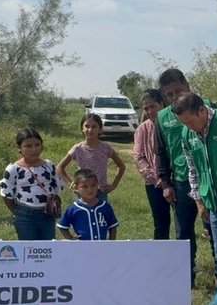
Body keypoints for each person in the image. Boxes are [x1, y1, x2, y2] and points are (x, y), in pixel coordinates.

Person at [173, 93, 217, 305]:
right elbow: (193, 169)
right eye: (184, 123)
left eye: (191, 121)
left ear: (202, 110)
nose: (189, 126)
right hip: (214, 203)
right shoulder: (187, 133)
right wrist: (198, 199)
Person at [153, 69, 201, 285]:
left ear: (187, 85)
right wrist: (165, 183)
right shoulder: (162, 118)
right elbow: (161, 151)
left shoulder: (207, 107)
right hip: (181, 183)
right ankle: (186, 280)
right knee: (183, 233)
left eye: (178, 91)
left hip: (210, 182)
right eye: (169, 95)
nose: (174, 98)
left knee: (216, 233)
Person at [0, 128, 61, 241]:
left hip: (47, 214)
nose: (34, 149)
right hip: (25, 215)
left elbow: (56, 187)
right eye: (28, 146)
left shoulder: (49, 165)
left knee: (47, 249)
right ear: (19, 148)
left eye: (37, 145)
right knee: (28, 249)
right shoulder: (13, 169)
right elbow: (6, 194)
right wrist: (18, 212)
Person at [59, 113, 125, 198]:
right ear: (82, 129)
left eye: (94, 127)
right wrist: (70, 183)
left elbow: (121, 166)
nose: (90, 130)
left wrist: (114, 185)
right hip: (82, 192)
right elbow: (59, 167)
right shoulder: (77, 149)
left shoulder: (105, 148)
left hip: (100, 192)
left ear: (100, 129)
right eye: (86, 126)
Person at [133, 89, 171, 239]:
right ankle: (161, 259)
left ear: (162, 104)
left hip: (177, 181)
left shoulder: (173, 124)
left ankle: (185, 260)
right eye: (146, 108)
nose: (149, 111)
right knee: (161, 224)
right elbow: (139, 157)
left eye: (152, 106)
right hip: (154, 184)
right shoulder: (142, 129)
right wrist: (158, 179)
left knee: (183, 225)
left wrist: (169, 180)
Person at [57, 169, 119, 241]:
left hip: (102, 247)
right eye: (84, 187)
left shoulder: (105, 206)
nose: (90, 189)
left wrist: (111, 243)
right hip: (82, 248)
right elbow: (62, 226)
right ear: (76, 188)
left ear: (97, 186)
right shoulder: (73, 208)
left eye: (93, 185)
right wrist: (71, 239)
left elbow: (113, 227)